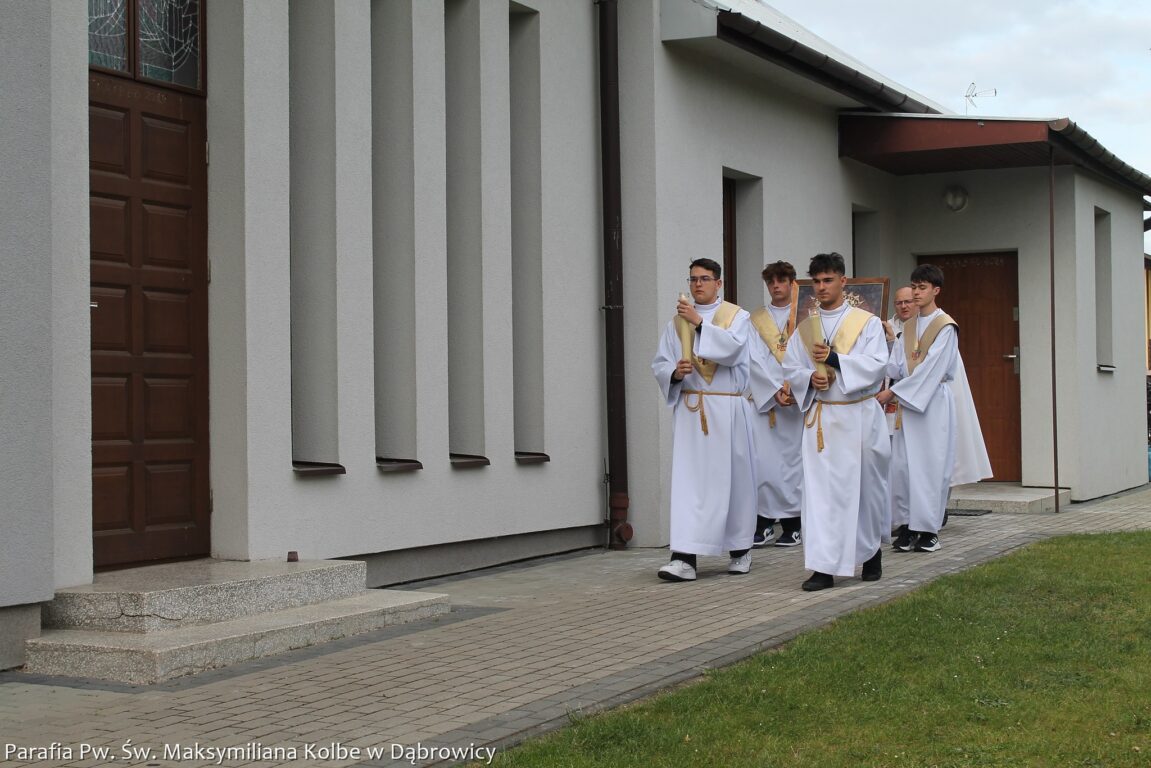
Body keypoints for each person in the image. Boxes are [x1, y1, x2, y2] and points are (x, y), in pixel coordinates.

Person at [783, 252, 890, 591]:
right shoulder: (805, 328)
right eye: (816, 281)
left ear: (843, 281)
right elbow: (790, 368)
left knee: (865, 491)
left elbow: (876, 365)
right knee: (821, 495)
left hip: (858, 414)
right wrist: (806, 380)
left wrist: (835, 360)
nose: (821, 287)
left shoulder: (866, 322)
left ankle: (870, 553)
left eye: (828, 280)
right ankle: (823, 566)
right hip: (822, 420)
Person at [651, 258, 758, 581]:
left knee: (735, 481)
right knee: (690, 483)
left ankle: (740, 549)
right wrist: (674, 373)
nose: (698, 284)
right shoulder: (676, 323)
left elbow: (735, 351)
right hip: (693, 411)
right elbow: (660, 362)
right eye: (693, 279)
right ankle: (684, 557)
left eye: (705, 279)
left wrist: (699, 323)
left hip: (729, 410)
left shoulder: (738, 317)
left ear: (719, 283)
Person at [877, 264, 957, 553]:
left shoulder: (945, 326)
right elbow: (897, 365)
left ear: (936, 290)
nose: (917, 292)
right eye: (914, 286)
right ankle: (908, 526)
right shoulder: (907, 326)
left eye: (922, 287)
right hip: (907, 404)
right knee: (903, 466)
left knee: (930, 466)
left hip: (932, 402)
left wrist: (892, 392)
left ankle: (929, 530)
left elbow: (932, 370)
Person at [748, 261, 804, 548]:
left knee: (794, 464)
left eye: (782, 281)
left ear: (792, 283)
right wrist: (773, 390)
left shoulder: (807, 315)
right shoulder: (755, 320)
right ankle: (765, 522)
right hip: (768, 402)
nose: (776, 286)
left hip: (797, 401)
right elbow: (753, 360)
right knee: (764, 463)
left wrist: (795, 387)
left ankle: (794, 525)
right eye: (771, 282)